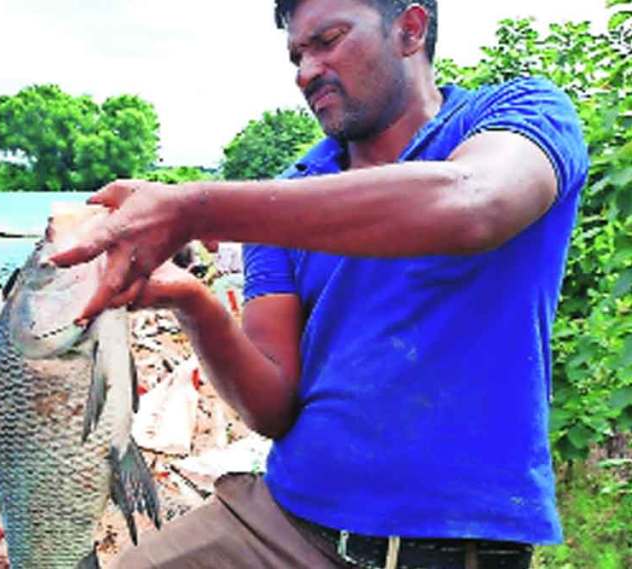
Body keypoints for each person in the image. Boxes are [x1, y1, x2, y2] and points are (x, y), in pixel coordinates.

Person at [51, 1, 588, 567]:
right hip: (281, 524)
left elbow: (475, 203)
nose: (306, 71)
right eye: (296, 55)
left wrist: (193, 209)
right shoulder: (286, 197)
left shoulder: (517, 114)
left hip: (456, 544)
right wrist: (191, 298)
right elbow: (273, 407)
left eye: (327, 41)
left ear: (409, 29)